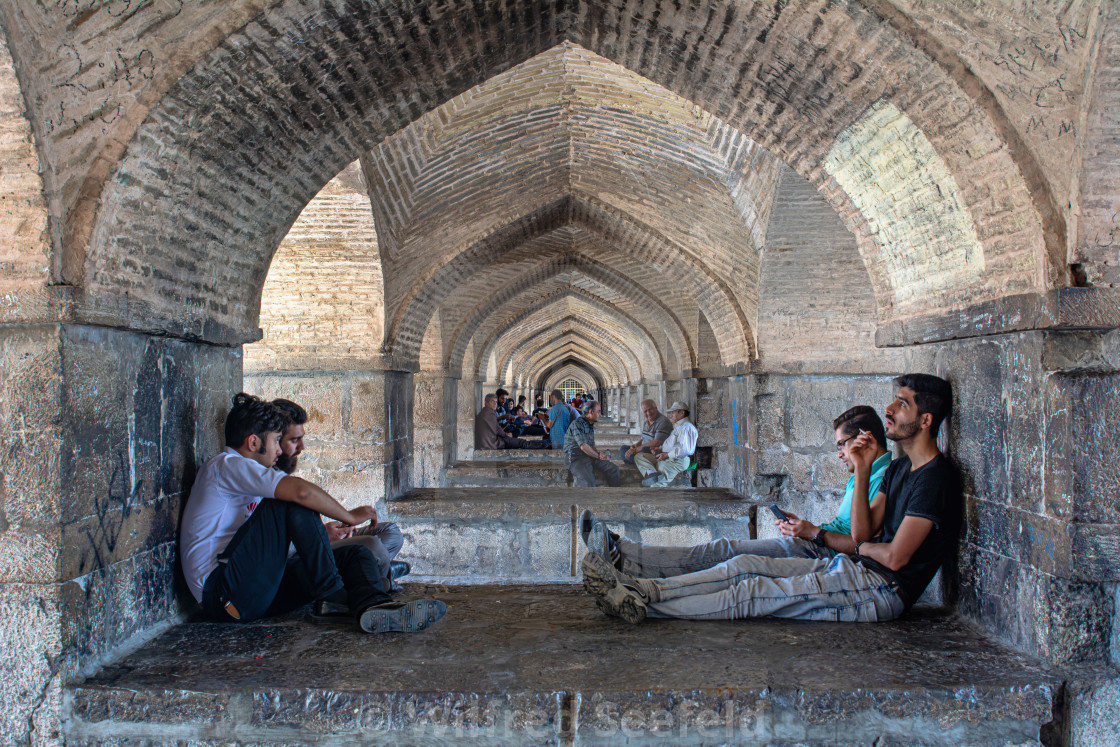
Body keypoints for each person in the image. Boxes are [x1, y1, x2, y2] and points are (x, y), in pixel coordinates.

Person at [581, 374, 959, 624]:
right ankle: (634, 575)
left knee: (753, 589)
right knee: (738, 565)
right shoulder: (897, 471)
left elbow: (892, 556)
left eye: (902, 404)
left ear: (925, 421)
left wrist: (848, 543)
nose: (890, 410)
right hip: (853, 567)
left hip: (880, 588)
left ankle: (641, 598)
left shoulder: (934, 479)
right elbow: (866, 534)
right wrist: (861, 479)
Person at [179, 393, 446, 632]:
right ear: (252, 442)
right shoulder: (225, 466)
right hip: (224, 595)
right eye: (274, 441)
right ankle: (334, 594)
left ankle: (375, 606)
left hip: (257, 590)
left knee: (356, 553)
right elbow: (301, 494)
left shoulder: (248, 476)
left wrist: (321, 537)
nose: (278, 450)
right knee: (290, 500)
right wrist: (349, 516)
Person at [580, 405, 892, 574]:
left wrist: (814, 533)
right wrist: (804, 527)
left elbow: (860, 540)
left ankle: (628, 559)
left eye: (842, 446)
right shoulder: (863, 473)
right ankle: (629, 557)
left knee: (728, 556)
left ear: (866, 440)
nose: (839, 454)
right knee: (726, 555)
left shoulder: (881, 476)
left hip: (825, 551)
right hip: (818, 541)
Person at [271, 399, 411, 593]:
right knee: (372, 546)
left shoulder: (275, 475)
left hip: (317, 541)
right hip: (299, 557)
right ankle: (379, 580)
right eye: (294, 440)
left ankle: (374, 571)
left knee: (390, 533)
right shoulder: (263, 480)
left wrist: (325, 530)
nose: (302, 447)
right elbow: (275, 546)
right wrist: (330, 530)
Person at [633, 401, 696, 486]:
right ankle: (652, 474)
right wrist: (660, 449)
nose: (671, 415)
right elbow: (672, 444)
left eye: (673, 412)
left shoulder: (686, 427)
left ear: (682, 413)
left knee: (658, 483)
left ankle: (655, 483)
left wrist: (667, 455)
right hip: (667, 456)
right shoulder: (679, 426)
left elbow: (685, 450)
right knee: (640, 456)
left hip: (677, 460)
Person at [564, 400, 621, 487]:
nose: (600, 415)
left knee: (614, 470)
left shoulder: (590, 424)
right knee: (588, 482)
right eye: (598, 412)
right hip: (575, 457)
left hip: (589, 455)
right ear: (591, 412)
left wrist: (600, 454)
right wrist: (598, 456)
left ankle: (614, 495)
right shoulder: (577, 423)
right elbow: (583, 446)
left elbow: (592, 445)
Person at [475, 394, 548, 449]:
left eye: (496, 401)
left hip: (493, 440)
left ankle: (546, 443)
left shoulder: (486, 412)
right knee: (522, 442)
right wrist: (506, 435)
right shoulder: (488, 413)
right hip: (493, 443)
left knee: (523, 439)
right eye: (492, 401)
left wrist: (506, 424)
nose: (495, 403)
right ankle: (547, 445)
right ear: (486, 402)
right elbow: (496, 429)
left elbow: (496, 427)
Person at [622, 399, 673, 464]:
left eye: (650, 409)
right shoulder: (647, 421)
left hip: (653, 450)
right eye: (645, 411)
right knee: (623, 448)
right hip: (642, 448)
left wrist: (636, 449)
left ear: (656, 408)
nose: (648, 413)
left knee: (644, 450)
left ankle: (636, 462)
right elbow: (643, 438)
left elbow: (657, 442)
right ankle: (638, 462)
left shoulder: (663, 421)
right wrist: (636, 445)